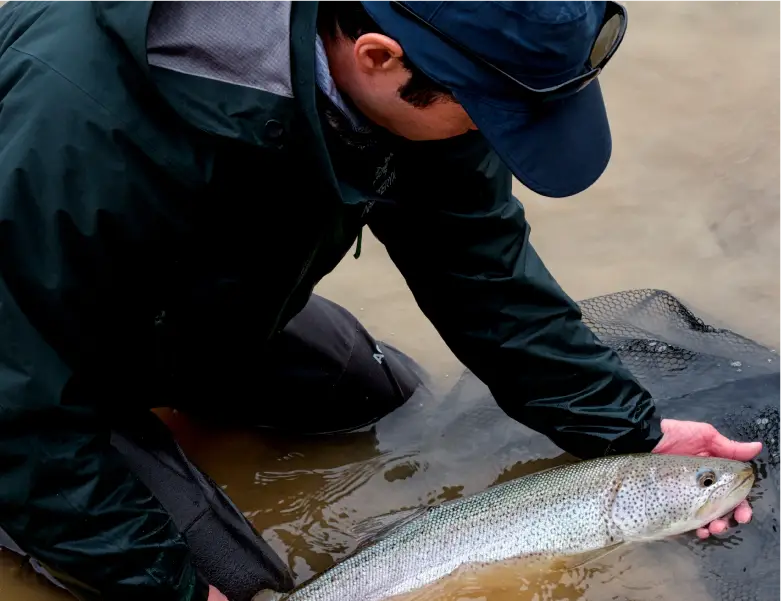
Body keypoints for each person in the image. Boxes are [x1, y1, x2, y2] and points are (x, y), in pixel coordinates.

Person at [0, 0, 762, 599]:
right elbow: (14, 391)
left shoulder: (433, 52)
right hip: (19, 348)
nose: (492, 135)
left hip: (159, 294)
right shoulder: (74, 126)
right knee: (229, 582)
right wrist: (163, 583)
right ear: (376, 58)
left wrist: (628, 430)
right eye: (491, 115)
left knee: (382, 400)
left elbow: (480, 273)